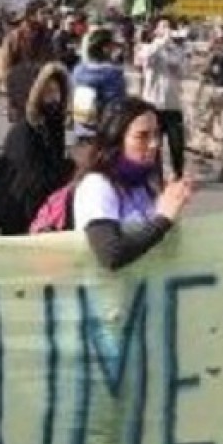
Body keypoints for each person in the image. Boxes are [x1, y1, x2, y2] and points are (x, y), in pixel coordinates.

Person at [70, 96, 195, 270]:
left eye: (157, 134)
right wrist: (163, 219)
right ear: (117, 139)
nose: (154, 144)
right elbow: (111, 255)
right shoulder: (98, 186)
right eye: (142, 136)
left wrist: (172, 208)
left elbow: (162, 251)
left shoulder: (145, 184)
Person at [0, 63, 74, 235]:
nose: (55, 99)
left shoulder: (50, 126)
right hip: (27, 221)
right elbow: (33, 185)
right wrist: (71, 169)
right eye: (48, 93)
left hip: (47, 215)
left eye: (57, 92)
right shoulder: (23, 134)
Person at [136, 21, 190, 178]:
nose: (166, 30)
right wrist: (161, 41)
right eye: (162, 26)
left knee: (177, 144)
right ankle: (154, 176)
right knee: (154, 145)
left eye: (168, 26)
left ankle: (178, 174)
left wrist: (177, 61)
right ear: (156, 30)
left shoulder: (176, 50)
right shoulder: (149, 47)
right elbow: (144, 58)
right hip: (153, 104)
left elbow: (184, 71)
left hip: (173, 105)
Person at [69, 29, 127, 138]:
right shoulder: (112, 74)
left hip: (80, 128)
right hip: (104, 132)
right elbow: (116, 104)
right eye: (113, 46)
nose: (116, 49)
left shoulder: (78, 70)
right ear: (105, 48)